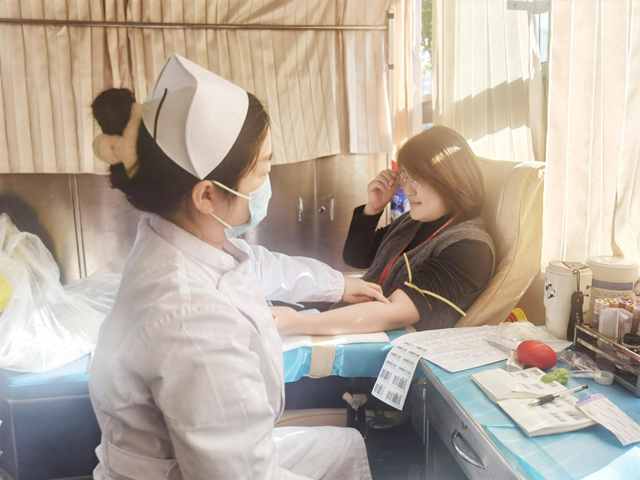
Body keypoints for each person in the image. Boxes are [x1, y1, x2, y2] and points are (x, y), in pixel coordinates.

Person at [88, 54, 378, 480]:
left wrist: (336, 285)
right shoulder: (191, 322)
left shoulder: (176, 236)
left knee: (345, 447)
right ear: (207, 195)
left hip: (210, 458)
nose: (266, 185)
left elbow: (251, 266)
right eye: (262, 170)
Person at [272, 126, 495, 335]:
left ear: (452, 179)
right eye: (406, 177)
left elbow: (394, 313)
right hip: (354, 322)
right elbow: (357, 258)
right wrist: (373, 209)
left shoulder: (470, 249)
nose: (408, 190)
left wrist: (300, 322)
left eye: (420, 179)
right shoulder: (416, 221)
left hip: (384, 343)